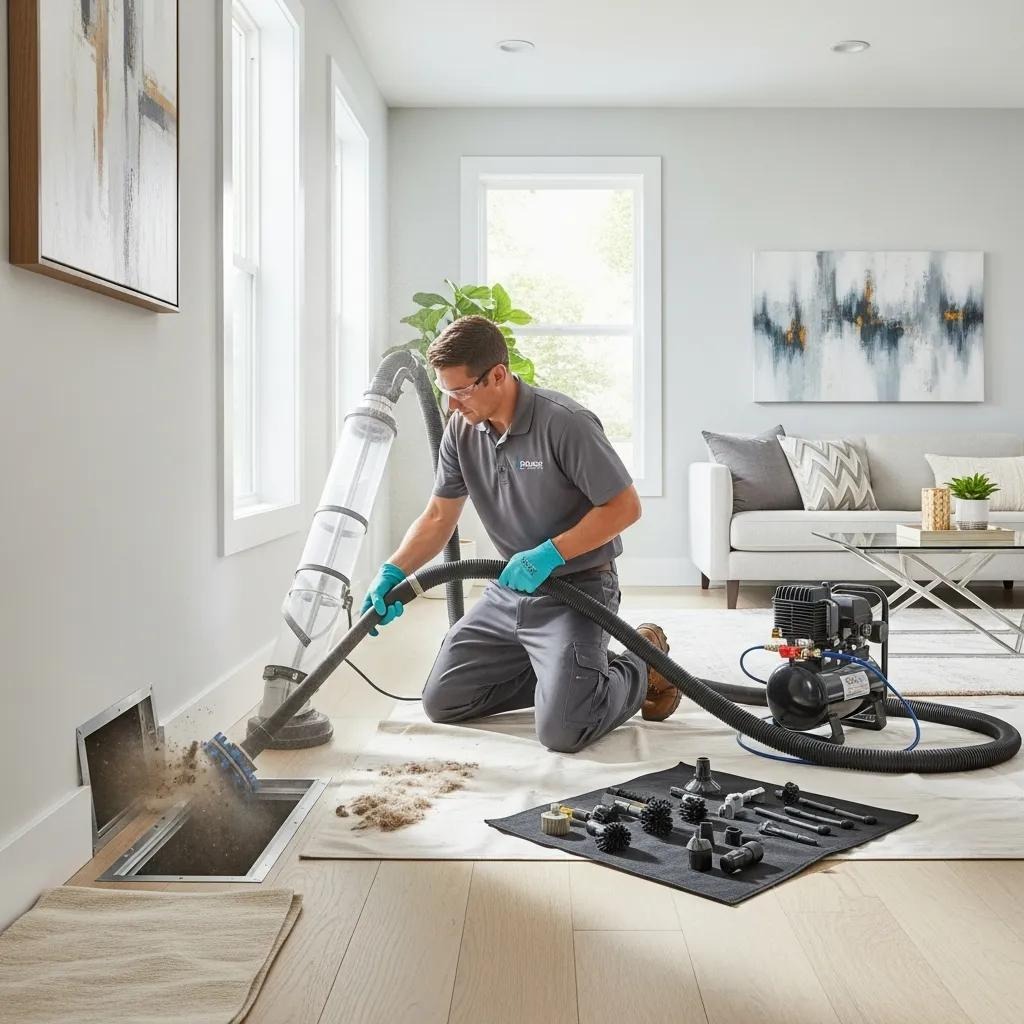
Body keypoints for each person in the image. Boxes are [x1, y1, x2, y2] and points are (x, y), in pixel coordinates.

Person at [361, 315, 679, 753]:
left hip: (578, 589)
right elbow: (438, 517)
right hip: (509, 591)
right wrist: (393, 571)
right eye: (444, 392)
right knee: (443, 701)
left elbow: (625, 507)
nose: (451, 406)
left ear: (497, 375)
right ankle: (567, 676)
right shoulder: (461, 430)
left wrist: (549, 554)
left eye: (459, 391)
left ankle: (644, 660)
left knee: (564, 730)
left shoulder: (565, 423)